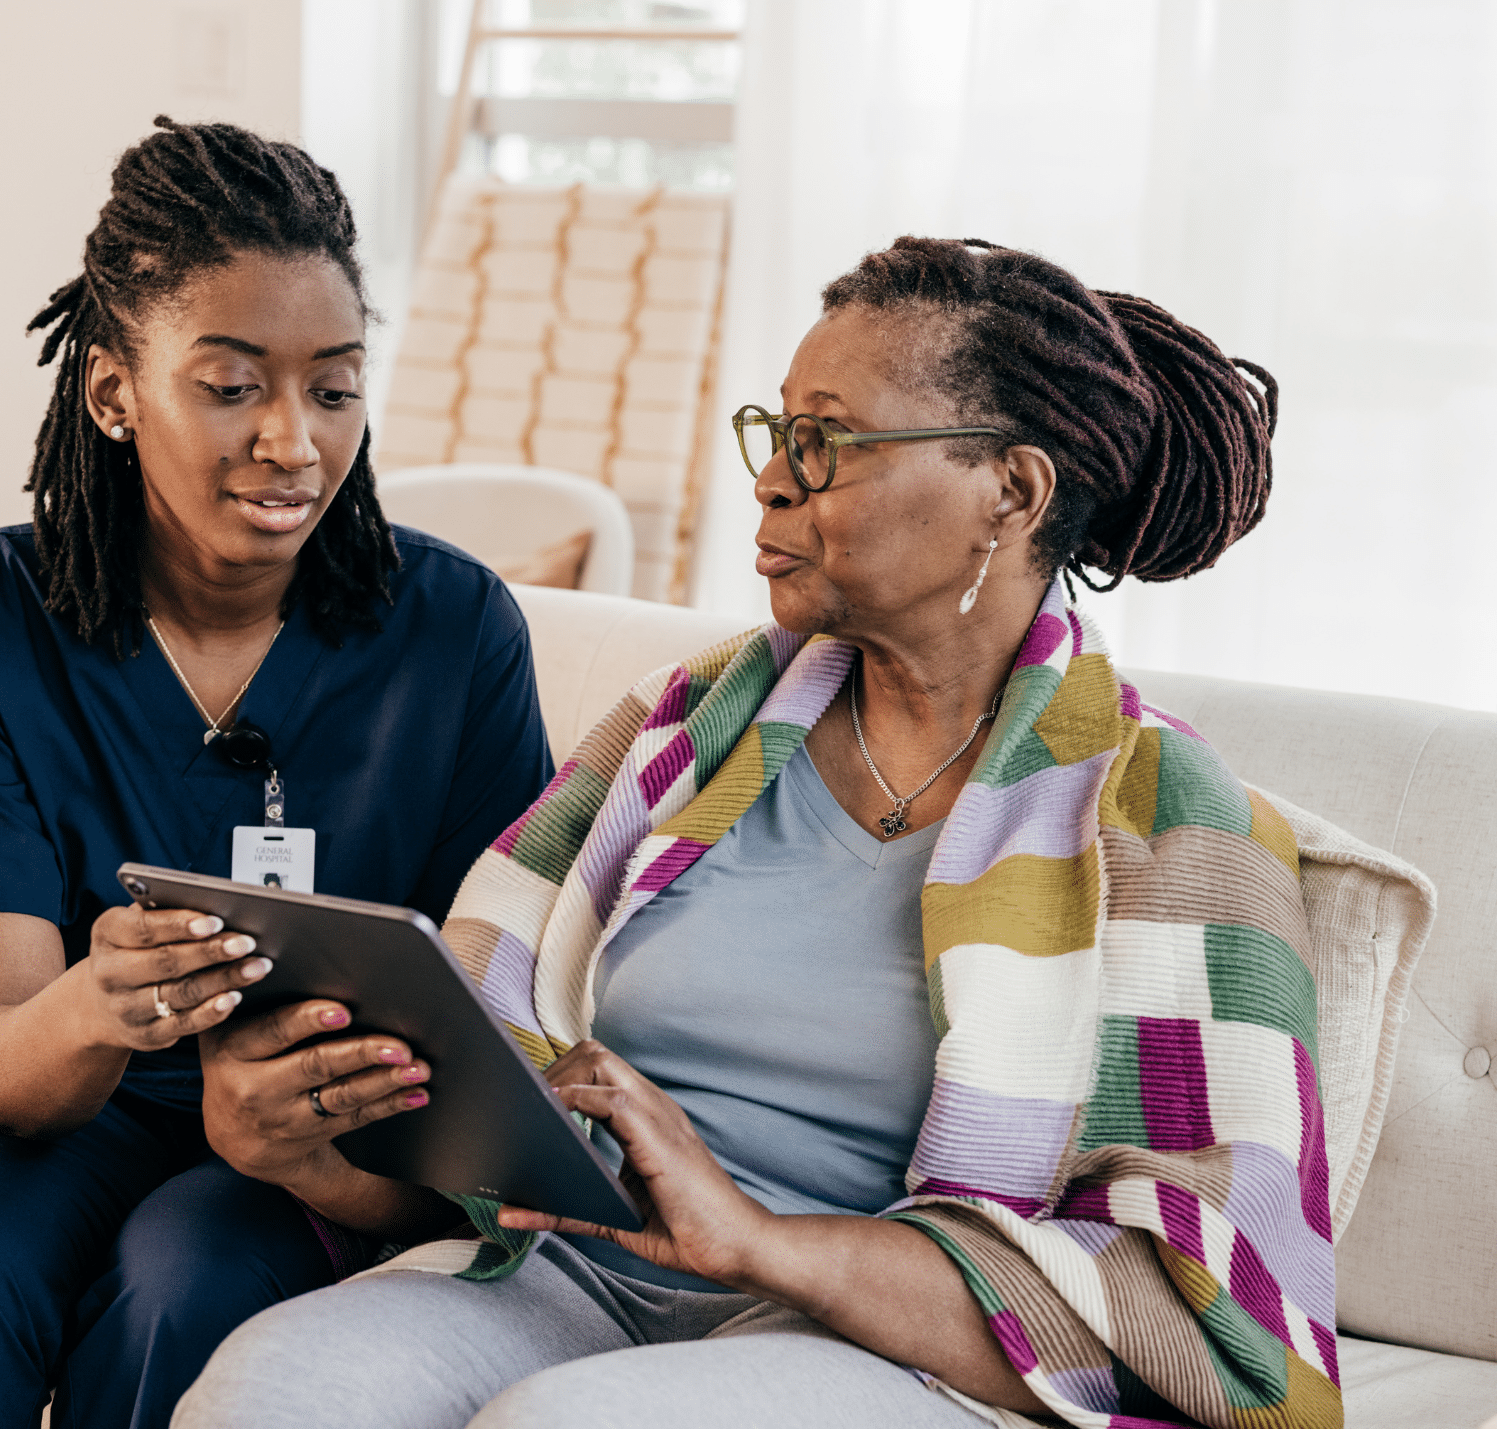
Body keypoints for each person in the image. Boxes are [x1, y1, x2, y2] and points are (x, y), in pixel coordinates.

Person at [176, 238, 1341, 1429]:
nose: (772, 480)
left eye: (826, 442)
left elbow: (1203, 1325)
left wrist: (760, 1244)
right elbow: (499, 1117)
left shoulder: (1163, 819)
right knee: (270, 1386)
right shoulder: (688, 726)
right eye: (774, 432)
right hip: (580, 1270)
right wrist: (305, 1152)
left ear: (1013, 489)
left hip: (888, 1342)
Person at [0, 118, 553, 1429]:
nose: (293, 441)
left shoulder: (456, 632)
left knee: (188, 1282)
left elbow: (499, 1032)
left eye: (332, 388)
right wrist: (108, 1000)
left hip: (306, 1134)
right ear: (113, 392)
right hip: (59, 1092)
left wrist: (329, 1153)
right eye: (232, 386)